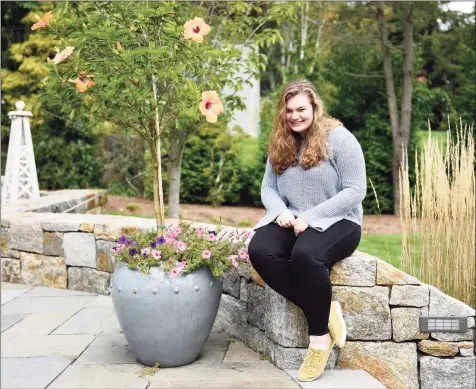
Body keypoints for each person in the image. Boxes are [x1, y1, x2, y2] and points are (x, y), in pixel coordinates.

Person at [248, 79, 367, 382]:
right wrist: (281, 212)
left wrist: (312, 216)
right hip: (292, 218)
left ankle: (319, 341)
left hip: (340, 221)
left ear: (315, 107)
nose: (294, 116)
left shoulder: (339, 138)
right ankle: (326, 310)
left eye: (301, 109)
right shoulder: (281, 141)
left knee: (305, 256)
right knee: (260, 250)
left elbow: (356, 191)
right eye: (289, 110)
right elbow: (268, 188)